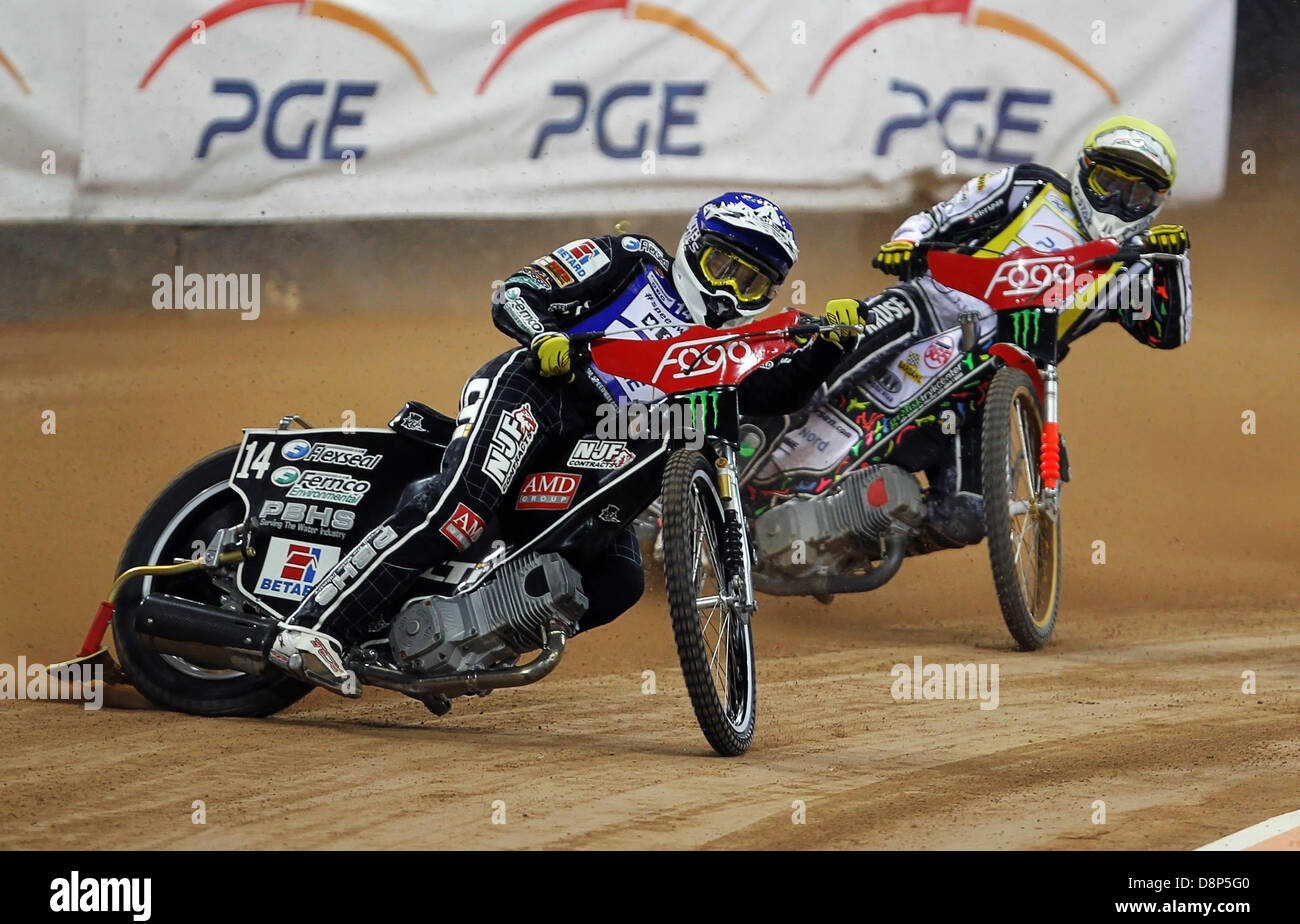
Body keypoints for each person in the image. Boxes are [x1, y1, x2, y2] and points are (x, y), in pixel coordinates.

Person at [267, 192, 865, 695]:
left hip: (605, 439)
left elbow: (772, 393)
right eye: (722, 267)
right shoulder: (630, 259)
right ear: (692, 247)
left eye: (753, 281)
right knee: (461, 512)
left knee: (620, 581)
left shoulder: (730, 347)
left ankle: (468, 640)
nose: (733, 289)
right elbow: (517, 292)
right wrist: (544, 336)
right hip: (539, 390)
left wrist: (834, 342)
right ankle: (312, 628)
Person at [813, 115, 1192, 547]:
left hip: (989, 384)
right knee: (831, 357)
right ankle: (750, 417)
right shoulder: (1029, 188)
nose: (1120, 200)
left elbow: (1167, 333)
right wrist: (905, 244)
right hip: (930, 308)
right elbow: (940, 217)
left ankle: (847, 543)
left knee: (968, 516)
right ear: (1085, 169)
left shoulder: (1138, 266)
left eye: (1138, 192)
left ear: (1159, 199)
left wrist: (1171, 263)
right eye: (1108, 182)